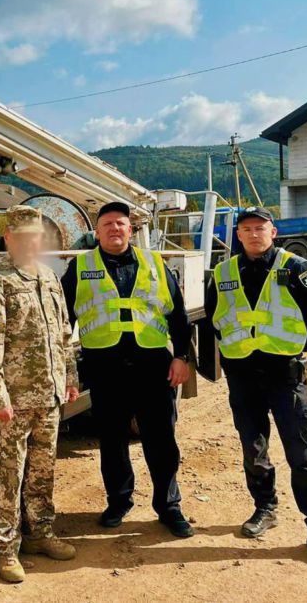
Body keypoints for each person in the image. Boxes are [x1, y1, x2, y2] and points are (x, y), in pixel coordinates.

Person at [205, 206, 307, 568]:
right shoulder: (223, 272)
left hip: (285, 377)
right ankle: (265, 508)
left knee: (301, 455)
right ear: (238, 235)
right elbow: (215, 318)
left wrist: (292, 350)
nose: (253, 234)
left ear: (273, 232)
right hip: (243, 377)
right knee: (253, 449)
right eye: (246, 229)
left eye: (260, 228)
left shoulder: (296, 268)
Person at [61, 201, 194, 537]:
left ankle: (169, 506)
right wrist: (66, 371)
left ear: (130, 229)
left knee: (161, 440)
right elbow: (62, 321)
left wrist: (182, 357)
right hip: (105, 368)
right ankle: (118, 501)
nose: (114, 229)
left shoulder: (155, 264)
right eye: (107, 224)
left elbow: (178, 315)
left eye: (120, 223)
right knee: (112, 440)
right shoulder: (80, 268)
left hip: (153, 366)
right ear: (97, 232)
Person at [0, 205, 79, 584]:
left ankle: (40, 533)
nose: (30, 242)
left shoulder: (49, 277)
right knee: (8, 474)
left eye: (35, 236)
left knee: (42, 470)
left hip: (49, 395)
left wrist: (70, 376)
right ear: (8, 237)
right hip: (14, 401)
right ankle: (5, 549)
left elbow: (63, 333)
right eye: (22, 236)